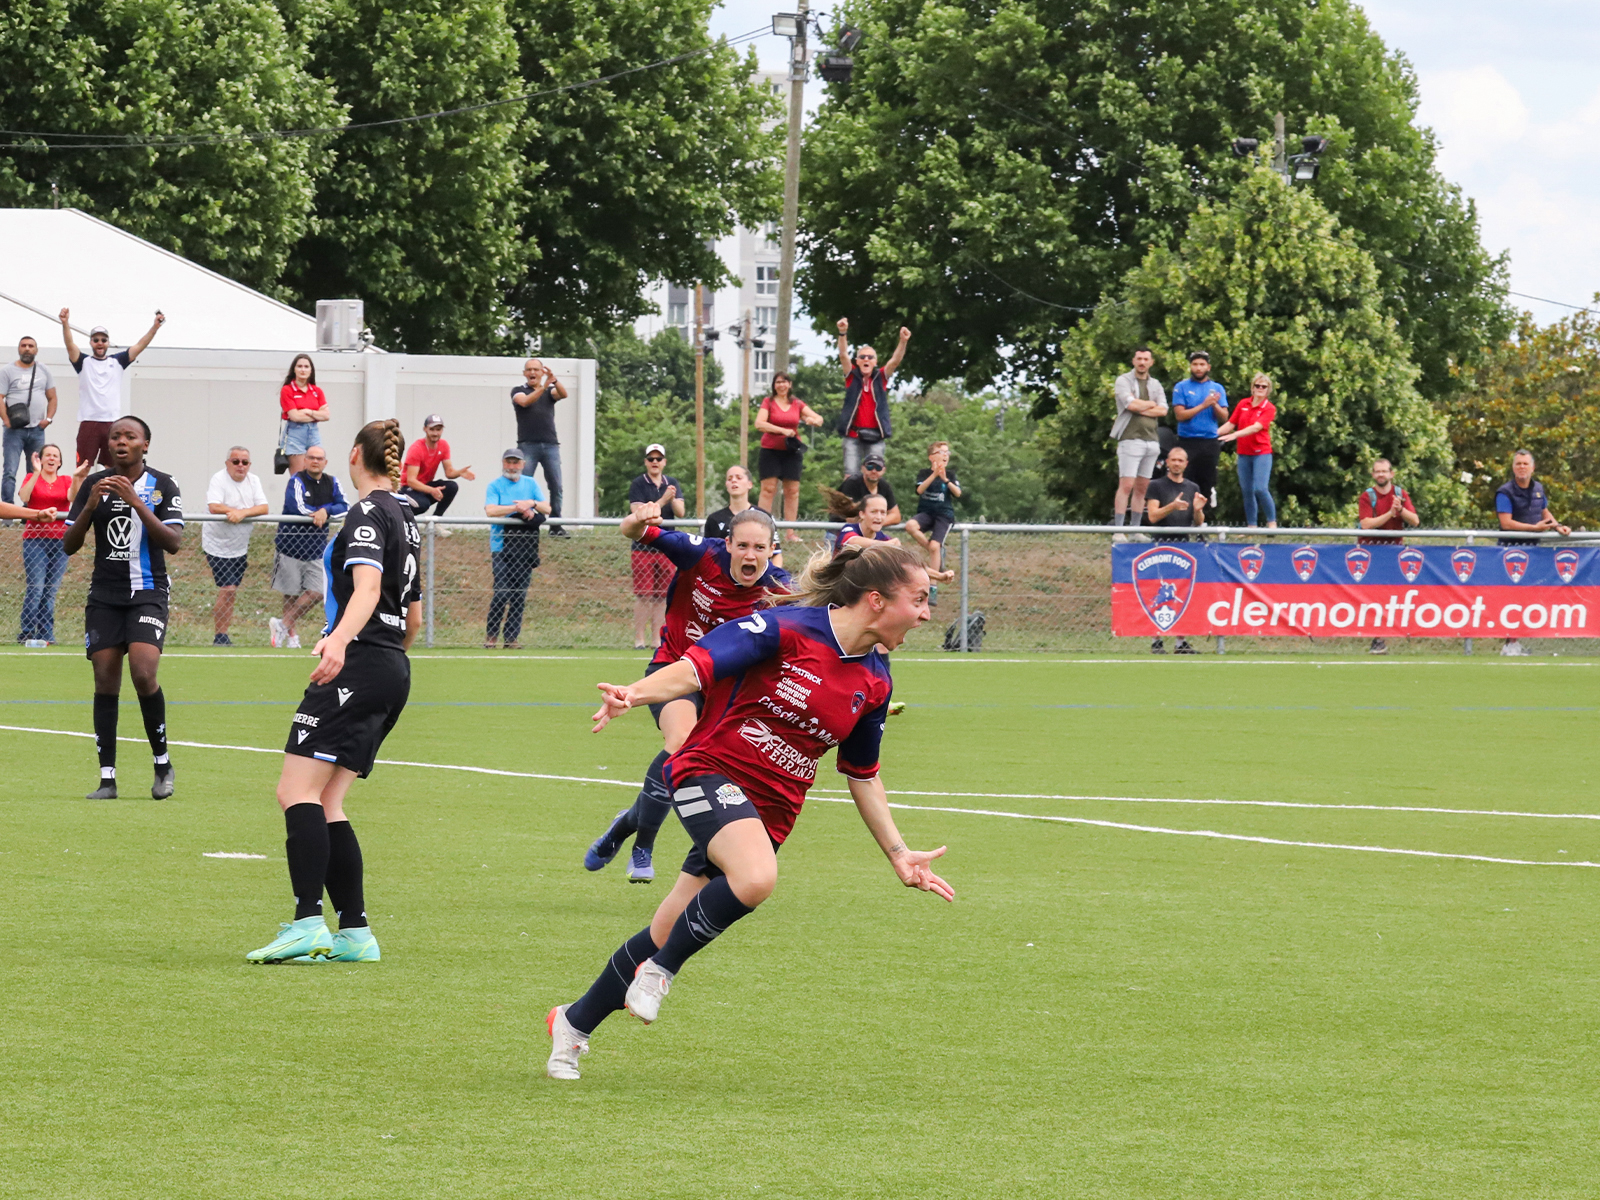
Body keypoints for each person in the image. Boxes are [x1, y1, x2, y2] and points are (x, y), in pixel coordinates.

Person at [548, 542, 953, 1080]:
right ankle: (660, 973)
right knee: (757, 877)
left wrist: (899, 854)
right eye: (920, 599)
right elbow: (695, 668)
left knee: (667, 927)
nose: (927, 613)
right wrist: (634, 693)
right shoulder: (785, 629)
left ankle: (572, 1024)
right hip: (707, 770)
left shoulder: (876, 681)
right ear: (876, 600)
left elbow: (862, 774)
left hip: (770, 814)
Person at [245, 418, 422, 964]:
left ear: (352, 456)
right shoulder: (407, 518)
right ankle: (355, 931)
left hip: (360, 661)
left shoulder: (367, 512)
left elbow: (367, 587)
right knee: (329, 800)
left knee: (295, 791)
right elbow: (413, 616)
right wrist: (386, 657)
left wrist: (341, 640)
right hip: (391, 664)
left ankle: (306, 921)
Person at [585, 501, 792, 884]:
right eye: (743, 545)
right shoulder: (700, 554)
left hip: (723, 693)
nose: (750, 555)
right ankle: (643, 845)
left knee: (710, 771)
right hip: (671, 670)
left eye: (760, 548)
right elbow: (631, 531)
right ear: (727, 543)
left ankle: (624, 825)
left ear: (771, 549)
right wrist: (636, 518)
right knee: (680, 741)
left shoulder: (782, 590)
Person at [63, 415, 184, 800]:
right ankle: (107, 778)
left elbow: (173, 542)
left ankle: (162, 765)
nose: (121, 442)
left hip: (147, 592)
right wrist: (88, 507)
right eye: (115, 436)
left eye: (130, 436)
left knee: (144, 672)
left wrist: (136, 503)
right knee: (104, 679)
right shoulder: (94, 485)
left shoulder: (163, 485)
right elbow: (69, 545)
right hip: (105, 595)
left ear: (145, 445)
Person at [60, 308, 164, 470]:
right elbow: (69, 345)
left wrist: (155, 327)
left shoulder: (118, 361)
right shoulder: (83, 362)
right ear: (91, 343)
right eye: (96, 340)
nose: (100, 343)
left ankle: (112, 495)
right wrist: (65, 324)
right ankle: (80, 496)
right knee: (83, 467)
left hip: (112, 422)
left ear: (108, 342)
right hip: (89, 420)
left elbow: (140, 345)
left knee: (113, 467)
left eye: (103, 339)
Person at [270, 445, 349, 650]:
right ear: (305, 461)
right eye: (311, 458)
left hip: (316, 549)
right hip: (290, 546)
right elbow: (297, 507)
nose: (315, 461)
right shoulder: (296, 481)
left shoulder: (332, 482)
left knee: (317, 592)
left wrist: (326, 510)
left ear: (325, 462)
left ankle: (283, 625)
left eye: (319, 458)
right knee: (291, 594)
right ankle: (291, 638)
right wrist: (319, 513)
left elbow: (344, 506)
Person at [1495, 450, 1570, 657]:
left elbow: (1544, 512)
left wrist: (1558, 526)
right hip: (1510, 552)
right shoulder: (1505, 491)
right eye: (1518, 464)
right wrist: (1534, 528)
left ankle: (1514, 643)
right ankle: (1509, 644)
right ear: (1513, 467)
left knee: (1525, 597)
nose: (1521, 467)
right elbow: (1506, 523)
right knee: (1511, 597)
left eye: (1525, 464)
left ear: (1532, 467)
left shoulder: (1538, 488)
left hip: (1532, 552)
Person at [484, 447, 550, 649]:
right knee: (502, 592)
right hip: (501, 547)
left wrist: (531, 503)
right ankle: (491, 635)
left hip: (525, 549)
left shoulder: (530, 484)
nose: (512, 466)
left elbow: (546, 508)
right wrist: (516, 508)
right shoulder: (495, 486)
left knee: (519, 594)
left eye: (516, 462)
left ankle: (511, 638)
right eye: (508, 462)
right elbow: (491, 510)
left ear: (522, 465)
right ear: (503, 463)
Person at [203, 446, 269, 647]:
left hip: (240, 546)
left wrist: (242, 513)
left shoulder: (254, 481)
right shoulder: (219, 479)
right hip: (217, 544)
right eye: (236, 461)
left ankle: (224, 635)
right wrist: (235, 511)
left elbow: (264, 507)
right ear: (227, 463)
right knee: (228, 589)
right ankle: (220, 636)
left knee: (231, 591)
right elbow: (214, 506)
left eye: (245, 462)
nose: (240, 466)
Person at [1144, 445, 1206, 655]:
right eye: (1174, 460)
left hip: (1184, 548)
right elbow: (1152, 517)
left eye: (1181, 460)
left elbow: (1198, 522)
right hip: (1160, 545)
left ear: (1186, 464)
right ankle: (1156, 640)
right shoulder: (1156, 486)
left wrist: (1197, 510)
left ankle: (1181, 642)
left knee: (1182, 593)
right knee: (1159, 593)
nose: (1177, 464)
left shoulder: (1192, 487)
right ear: (1167, 462)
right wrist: (1172, 506)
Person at [17, 446, 80, 644]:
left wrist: (78, 478)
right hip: (35, 541)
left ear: (60, 462)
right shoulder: (31, 477)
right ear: (41, 460)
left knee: (50, 590)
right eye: (48, 455)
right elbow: (24, 497)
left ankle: (45, 634)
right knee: (36, 588)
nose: (52, 458)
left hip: (60, 541)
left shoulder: (65, 481)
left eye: (56, 456)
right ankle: (26, 632)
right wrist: (36, 473)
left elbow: (73, 498)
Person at [1356, 458, 1419, 655]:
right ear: (1373, 475)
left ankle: (1385, 637)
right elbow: (1366, 524)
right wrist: (1390, 514)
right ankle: (1376, 638)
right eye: (1377, 471)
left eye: (1384, 471)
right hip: (1371, 553)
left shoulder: (1400, 494)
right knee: (1372, 597)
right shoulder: (1367, 496)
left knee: (1390, 596)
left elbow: (1415, 521)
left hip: (1394, 553)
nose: (1381, 475)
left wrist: (1400, 510)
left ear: (1391, 473)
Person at [627, 444, 686, 650]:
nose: (654, 462)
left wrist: (672, 497)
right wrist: (662, 500)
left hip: (667, 545)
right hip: (643, 546)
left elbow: (680, 512)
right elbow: (638, 513)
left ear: (664, 462)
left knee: (662, 595)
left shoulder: (672, 483)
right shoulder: (638, 484)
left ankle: (656, 639)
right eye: (651, 459)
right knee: (644, 594)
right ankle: (639, 639)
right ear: (645, 462)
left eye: (658, 459)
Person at [834, 317, 910, 476]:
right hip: (853, 435)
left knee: (874, 475)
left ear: (875, 362)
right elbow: (843, 355)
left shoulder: (880, 377)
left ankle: (872, 502)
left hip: (875, 435)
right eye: (862, 357)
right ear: (857, 361)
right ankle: (851, 501)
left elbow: (895, 361)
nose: (866, 359)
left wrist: (903, 341)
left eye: (870, 357)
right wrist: (842, 333)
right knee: (850, 477)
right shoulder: (852, 376)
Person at [754, 372, 823, 540]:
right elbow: (759, 423)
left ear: (790, 384)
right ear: (774, 385)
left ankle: (790, 533)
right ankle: (762, 530)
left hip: (791, 451)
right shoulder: (768, 402)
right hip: (770, 450)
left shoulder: (796, 403)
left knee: (792, 491)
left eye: (785, 382)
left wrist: (813, 420)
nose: (781, 385)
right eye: (778, 382)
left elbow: (819, 418)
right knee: (768, 490)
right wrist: (782, 430)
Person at [1110, 348, 1168, 539]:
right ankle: (1118, 530)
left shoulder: (1155, 384)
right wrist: (1151, 404)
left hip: (1151, 439)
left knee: (1143, 487)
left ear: (1151, 362)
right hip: (1130, 438)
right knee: (1126, 484)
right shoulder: (1123, 381)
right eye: (1139, 359)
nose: (1142, 362)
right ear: (1133, 360)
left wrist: (1143, 406)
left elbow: (1163, 410)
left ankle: (1135, 529)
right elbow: (1130, 405)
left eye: (1146, 359)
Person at [511, 357, 569, 536]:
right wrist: (544, 386)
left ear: (542, 372)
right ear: (524, 373)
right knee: (523, 485)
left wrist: (555, 380)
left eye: (536, 369)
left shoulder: (549, 391)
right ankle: (522, 524)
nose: (532, 373)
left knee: (556, 486)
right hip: (527, 445)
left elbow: (564, 394)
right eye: (529, 370)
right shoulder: (518, 391)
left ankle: (555, 525)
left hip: (551, 445)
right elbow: (525, 402)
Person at [2, 336, 58, 506]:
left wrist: (48, 419)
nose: (27, 348)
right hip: (14, 431)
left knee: (34, 471)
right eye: (23, 346)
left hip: (37, 430)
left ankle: (30, 511)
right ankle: (7, 512)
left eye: (30, 346)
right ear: (19, 349)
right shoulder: (7, 371)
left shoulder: (43, 370)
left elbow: (52, 397)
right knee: (10, 471)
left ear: (36, 350)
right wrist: (7, 421)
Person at [1218, 374, 1278, 528]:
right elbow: (1231, 423)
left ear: (1268, 390)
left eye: (1263, 387)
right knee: (1246, 490)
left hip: (1261, 453)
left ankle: (1272, 522)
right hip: (1244, 453)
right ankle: (1252, 526)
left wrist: (1234, 435)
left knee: (1260, 488)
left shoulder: (1269, 408)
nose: (1260, 389)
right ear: (1252, 388)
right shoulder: (1243, 403)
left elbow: (1256, 427)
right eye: (1257, 386)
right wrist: (1211, 435)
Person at [1170, 351, 1227, 509]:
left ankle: (1203, 523)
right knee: (1186, 481)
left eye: (1202, 364)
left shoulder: (1217, 388)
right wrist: (1203, 405)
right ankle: (1183, 522)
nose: (1198, 368)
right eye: (1195, 364)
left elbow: (1224, 417)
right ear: (1190, 367)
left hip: (1209, 442)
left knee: (1207, 483)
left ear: (1208, 367)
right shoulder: (1181, 387)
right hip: (1187, 442)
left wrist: (1214, 404)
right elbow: (1180, 415)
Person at [400, 414, 474, 531]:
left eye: (438, 430)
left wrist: (459, 473)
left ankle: (434, 523)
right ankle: (401, 525)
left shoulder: (443, 445)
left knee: (451, 487)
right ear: (425, 429)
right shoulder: (417, 448)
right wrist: (432, 490)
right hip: (408, 489)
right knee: (423, 504)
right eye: (432, 429)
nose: (435, 433)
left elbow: (449, 473)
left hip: (425, 486)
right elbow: (411, 480)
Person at [905, 441, 961, 597]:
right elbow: (920, 489)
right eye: (940, 452)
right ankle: (933, 551)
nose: (945, 455)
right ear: (931, 457)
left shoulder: (950, 475)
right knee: (910, 525)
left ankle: (933, 586)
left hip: (944, 515)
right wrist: (934, 475)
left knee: (936, 546)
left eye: (947, 453)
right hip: (926, 513)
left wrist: (945, 479)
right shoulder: (924, 473)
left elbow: (957, 493)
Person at [820, 453, 900, 552]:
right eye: (870, 467)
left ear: (884, 470)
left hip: (867, 531)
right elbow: (851, 533)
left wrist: (875, 522)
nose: (874, 471)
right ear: (862, 468)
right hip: (837, 530)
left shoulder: (884, 486)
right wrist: (884, 544)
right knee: (829, 562)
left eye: (878, 467)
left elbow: (896, 516)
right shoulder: (852, 483)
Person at [279, 354, 329, 477]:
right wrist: (317, 414)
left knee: (315, 472)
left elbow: (326, 415)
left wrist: (309, 412)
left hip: (313, 432)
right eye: (299, 366)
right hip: (296, 433)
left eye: (306, 366)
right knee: (299, 475)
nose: (303, 369)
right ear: (294, 369)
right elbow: (295, 416)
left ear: (311, 370)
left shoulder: (316, 391)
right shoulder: (287, 390)